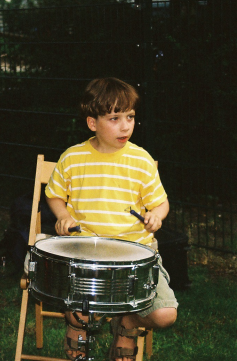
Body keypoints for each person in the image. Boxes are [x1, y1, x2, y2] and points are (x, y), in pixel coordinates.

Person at [45, 78, 177, 361]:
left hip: (136, 256)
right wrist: (63, 215)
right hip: (87, 254)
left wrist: (156, 215)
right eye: (115, 118)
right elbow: (54, 195)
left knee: (165, 314)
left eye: (130, 117)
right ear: (92, 123)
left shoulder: (141, 160)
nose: (126, 125)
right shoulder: (72, 158)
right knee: (77, 308)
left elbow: (161, 202)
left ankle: (128, 324)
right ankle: (77, 323)